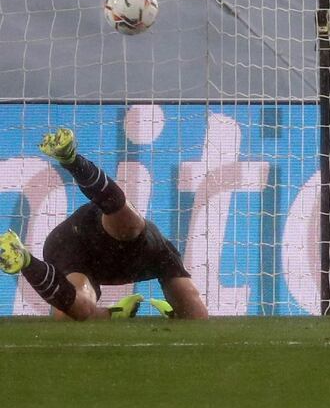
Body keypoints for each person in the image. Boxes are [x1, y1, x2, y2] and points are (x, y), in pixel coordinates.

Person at [0, 127, 208, 320]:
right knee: (130, 226)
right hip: (78, 240)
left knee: (81, 312)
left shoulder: (162, 257)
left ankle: (26, 261)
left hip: (104, 256)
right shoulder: (155, 249)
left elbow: (196, 314)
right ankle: (71, 160)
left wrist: (113, 313)